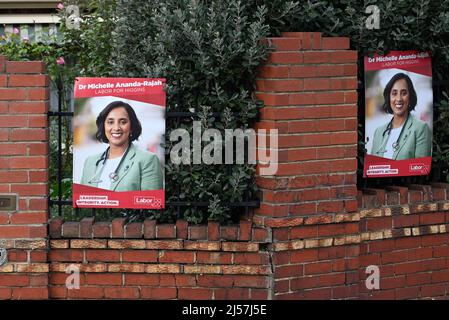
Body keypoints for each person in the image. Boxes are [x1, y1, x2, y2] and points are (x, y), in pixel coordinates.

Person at [80, 101, 163, 191]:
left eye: (123, 122)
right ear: (103, 127)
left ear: (131, 127)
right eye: (110, 122)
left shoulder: (148, 160)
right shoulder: (90, 162)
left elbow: (152, 202)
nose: (116, 128)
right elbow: (82, 200)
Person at [370, 73, 431, 160]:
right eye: (394, 93)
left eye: (404, 93)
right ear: (389, 97)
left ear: (410, 97)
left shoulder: (421, 129)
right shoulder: (378, 132)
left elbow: (422, 168)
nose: (399, 98)